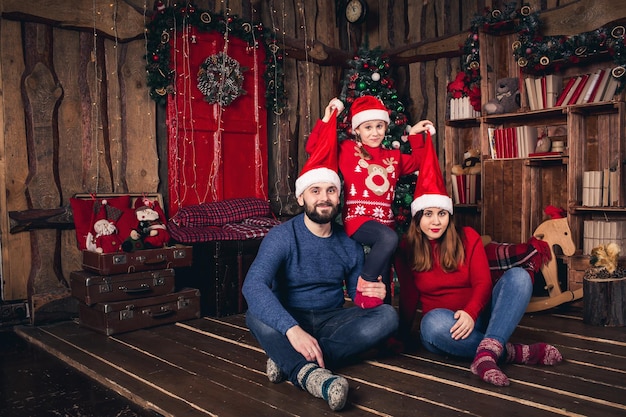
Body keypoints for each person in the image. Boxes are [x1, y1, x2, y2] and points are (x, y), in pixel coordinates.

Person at [242, 106, 399, 411]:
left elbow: (357, 294)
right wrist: (292, 330)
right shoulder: (283, 236)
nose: (324, 197)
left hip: (331, 319)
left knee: (388, 317)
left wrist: (373, 294)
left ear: (339, 197)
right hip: (291, 316)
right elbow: (253, 285)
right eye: (315, 191)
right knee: (255, 313)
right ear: (302, 198)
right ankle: (308, 373)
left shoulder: (348, 241)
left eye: (331, 190)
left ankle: (287, 359)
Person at [393, 134, 563, 387]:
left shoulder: (468, 237)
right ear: (417, 218)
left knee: (518, 276)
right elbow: (407, 296)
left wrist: (471, 314)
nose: (436, 221)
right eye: (428, 214)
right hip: (443, 327)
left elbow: (483, 283)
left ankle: (486, 351)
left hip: (478, 319)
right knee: (430, 324)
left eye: (441, 213)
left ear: (449, 216)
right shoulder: (406, 248)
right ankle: (509, 352)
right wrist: (400, 337)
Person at [306, 95, 435, 309]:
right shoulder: (347, 150)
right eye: (368, 127)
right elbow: (314, 148)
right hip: (358, 220)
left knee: (383, 281)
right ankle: (364, 284)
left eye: (379, 126)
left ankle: (383, 330)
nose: (374, 133)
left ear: (385, 126)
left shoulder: (394, 157)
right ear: (358, 130)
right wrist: (327, 119)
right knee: (387, 239)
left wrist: (413, 135)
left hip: (385, 223)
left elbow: (421, 161)